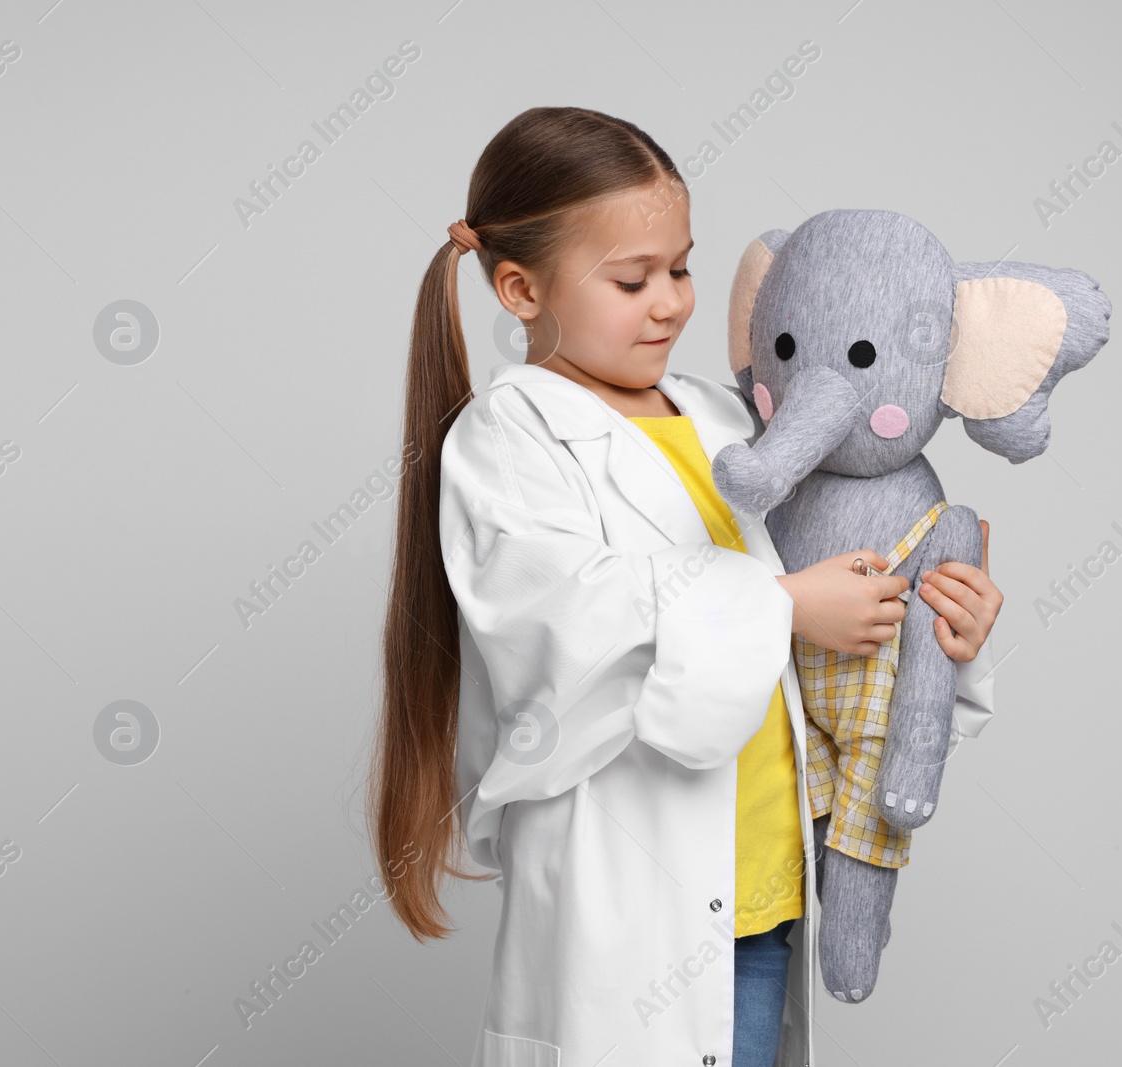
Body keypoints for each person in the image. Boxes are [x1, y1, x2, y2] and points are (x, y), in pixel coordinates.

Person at [368, 105, 1005, 1067]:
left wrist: (930, 622)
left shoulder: (721, 419)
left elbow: (817, 642)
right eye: (632, 280)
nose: (670, 303)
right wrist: (786, 603)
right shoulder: (510, 441)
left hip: (767, 899)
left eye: (681, 267)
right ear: (518, 288)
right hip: (633, 925)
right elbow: (570, 629)